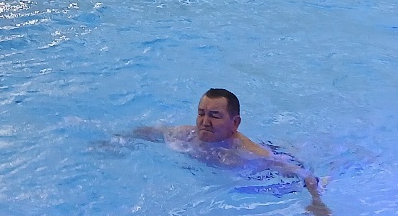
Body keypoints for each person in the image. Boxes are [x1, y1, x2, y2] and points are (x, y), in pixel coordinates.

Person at [135, 90, 329, 215]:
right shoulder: (187, 135)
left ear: (235, 123)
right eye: (201, 113)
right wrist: (121, 141)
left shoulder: (250, 154)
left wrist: (317, 203)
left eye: (214, 116)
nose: (204, 122)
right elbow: (153, 132)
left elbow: (305, 175)